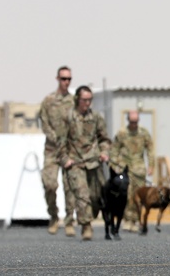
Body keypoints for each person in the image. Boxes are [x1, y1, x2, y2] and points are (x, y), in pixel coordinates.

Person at [59, 86, 111, 241]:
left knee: (96, 197)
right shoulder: (67, 118)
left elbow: (105, 139)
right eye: (84, 100)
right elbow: (59, 142)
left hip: (93, 163)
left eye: (90, 100)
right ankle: (86, 226)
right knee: (82, 196)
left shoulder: (96, 117)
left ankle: (90, 215)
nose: (87, 103)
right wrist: (65, 159)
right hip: (75, 164)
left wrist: (104, 152)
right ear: (77, 100)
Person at [38, 65, 76, 236]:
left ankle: (69, 221)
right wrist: (55, 138)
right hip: (52, 150)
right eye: (63, 79)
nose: (66, 82)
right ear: (57, 79)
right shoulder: (48, 100)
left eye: (69, 79)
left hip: (68, 150)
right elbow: (44, 123)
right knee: (49, 184)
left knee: (70, 187)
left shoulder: (75, 101)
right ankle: (53, 216)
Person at [112, 110, 155, 231]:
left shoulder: (143, 133)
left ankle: (136, 220)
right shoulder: (122, 133)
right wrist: (115, 165)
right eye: (132, 122)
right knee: (126, 195)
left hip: (139, 169)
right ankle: (127, 219)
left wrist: (151, 165)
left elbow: (150, 149)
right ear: (128, 121)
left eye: (136, 122)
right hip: (125, 168)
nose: (134, 125)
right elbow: (114, 150)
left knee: (138, 196)